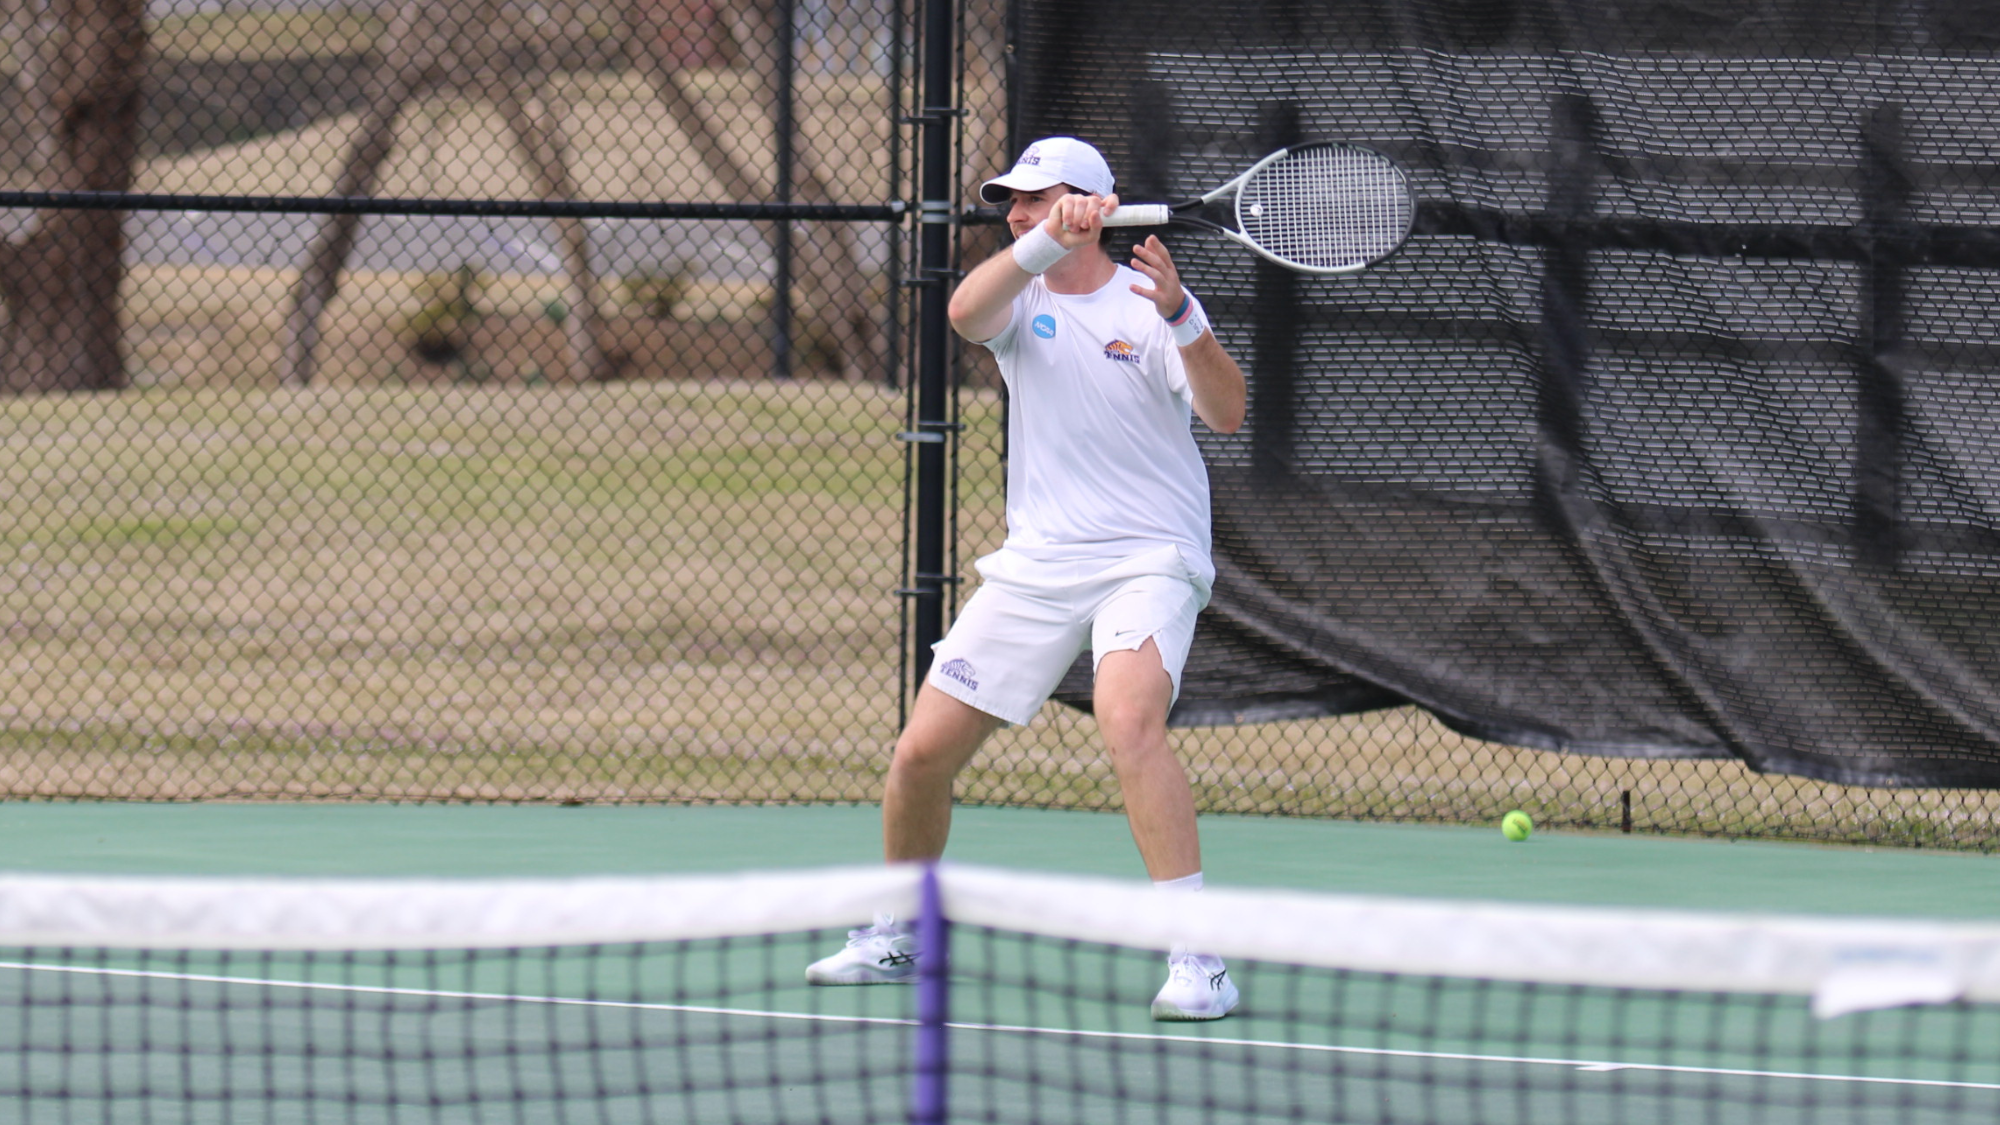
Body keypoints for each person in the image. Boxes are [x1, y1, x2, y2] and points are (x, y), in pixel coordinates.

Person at [806, 137, 1247, 1021]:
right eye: (1011, 200)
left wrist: (1186, 316)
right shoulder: (1019, 295)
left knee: (1128, 719)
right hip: (1039, 564)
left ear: (1093, 205)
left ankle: (1200, 959)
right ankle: (901, 929)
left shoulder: (1148, 304)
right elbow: (966, 312)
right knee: (920, 753)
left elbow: (1228, 414)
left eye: (1038, 199)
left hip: (1148, 555)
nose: (1016, 212)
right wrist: (1041, 242)